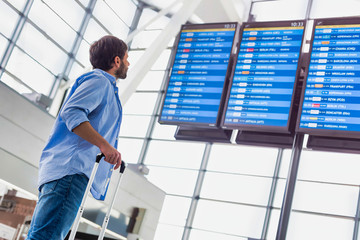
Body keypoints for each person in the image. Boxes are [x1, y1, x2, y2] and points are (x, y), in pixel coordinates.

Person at [26, 35, 130, 240]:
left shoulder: (103, 85)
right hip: (71, 171)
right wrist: (105, 146)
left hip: (67, 172)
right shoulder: (100, 81)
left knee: (44, 234)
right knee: (47, 236)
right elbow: (72, 112)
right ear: (116, 60)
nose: (128, 63)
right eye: (127, 58)